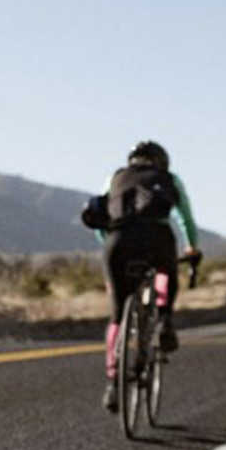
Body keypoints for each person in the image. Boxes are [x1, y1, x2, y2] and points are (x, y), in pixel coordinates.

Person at [83, 140, 201, 412]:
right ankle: (164, 319)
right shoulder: (169, 179)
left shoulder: (115, 178)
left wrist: (109, 246)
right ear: (161, 161)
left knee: (116, 314)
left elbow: (100, 215)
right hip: (157, 238)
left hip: (118, 242)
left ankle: (113, 382)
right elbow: (185, 219)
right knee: (165, 270)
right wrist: (191, 248)